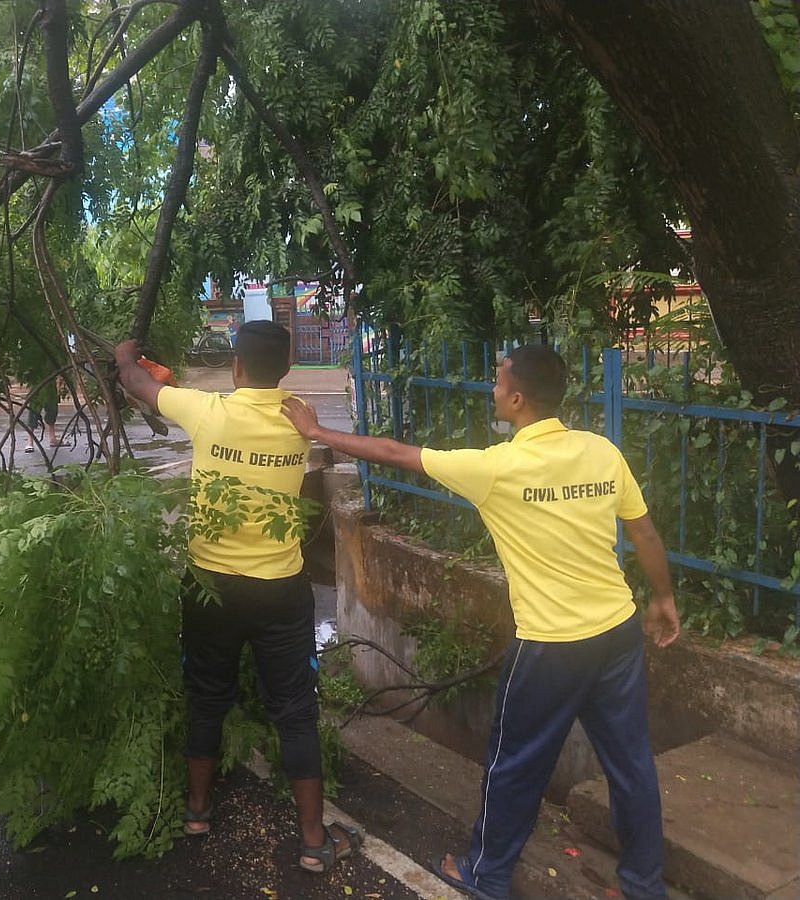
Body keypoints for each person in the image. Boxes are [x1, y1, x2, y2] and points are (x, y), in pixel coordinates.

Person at [281, 344, 680, 900]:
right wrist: (663, 598)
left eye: (498, 383)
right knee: (632, 764)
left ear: (517, 399)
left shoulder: (496, 468)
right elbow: (646, 533)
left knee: (513, 764)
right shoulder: (601, 452)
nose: (492, 390)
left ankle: (486, 874)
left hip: (550, 646)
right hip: (616, 632)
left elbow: (394, 452)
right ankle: (642, 887)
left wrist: (319, 432)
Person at [114, 321, 362, 873]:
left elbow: (136, 383)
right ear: (287, 368)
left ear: (235, 368)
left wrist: (126, 354)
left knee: (206, 696)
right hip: (279, 589)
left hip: (210, 587)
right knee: (295, 712)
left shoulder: (207, 412)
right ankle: (313, 841)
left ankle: (197, 811)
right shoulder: (299, 417)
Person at [23, 378, 61, 452]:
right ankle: (30, 441)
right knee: (33, 412)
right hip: (37, 384)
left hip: (50, 385)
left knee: (52, 410)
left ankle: (52, 438)